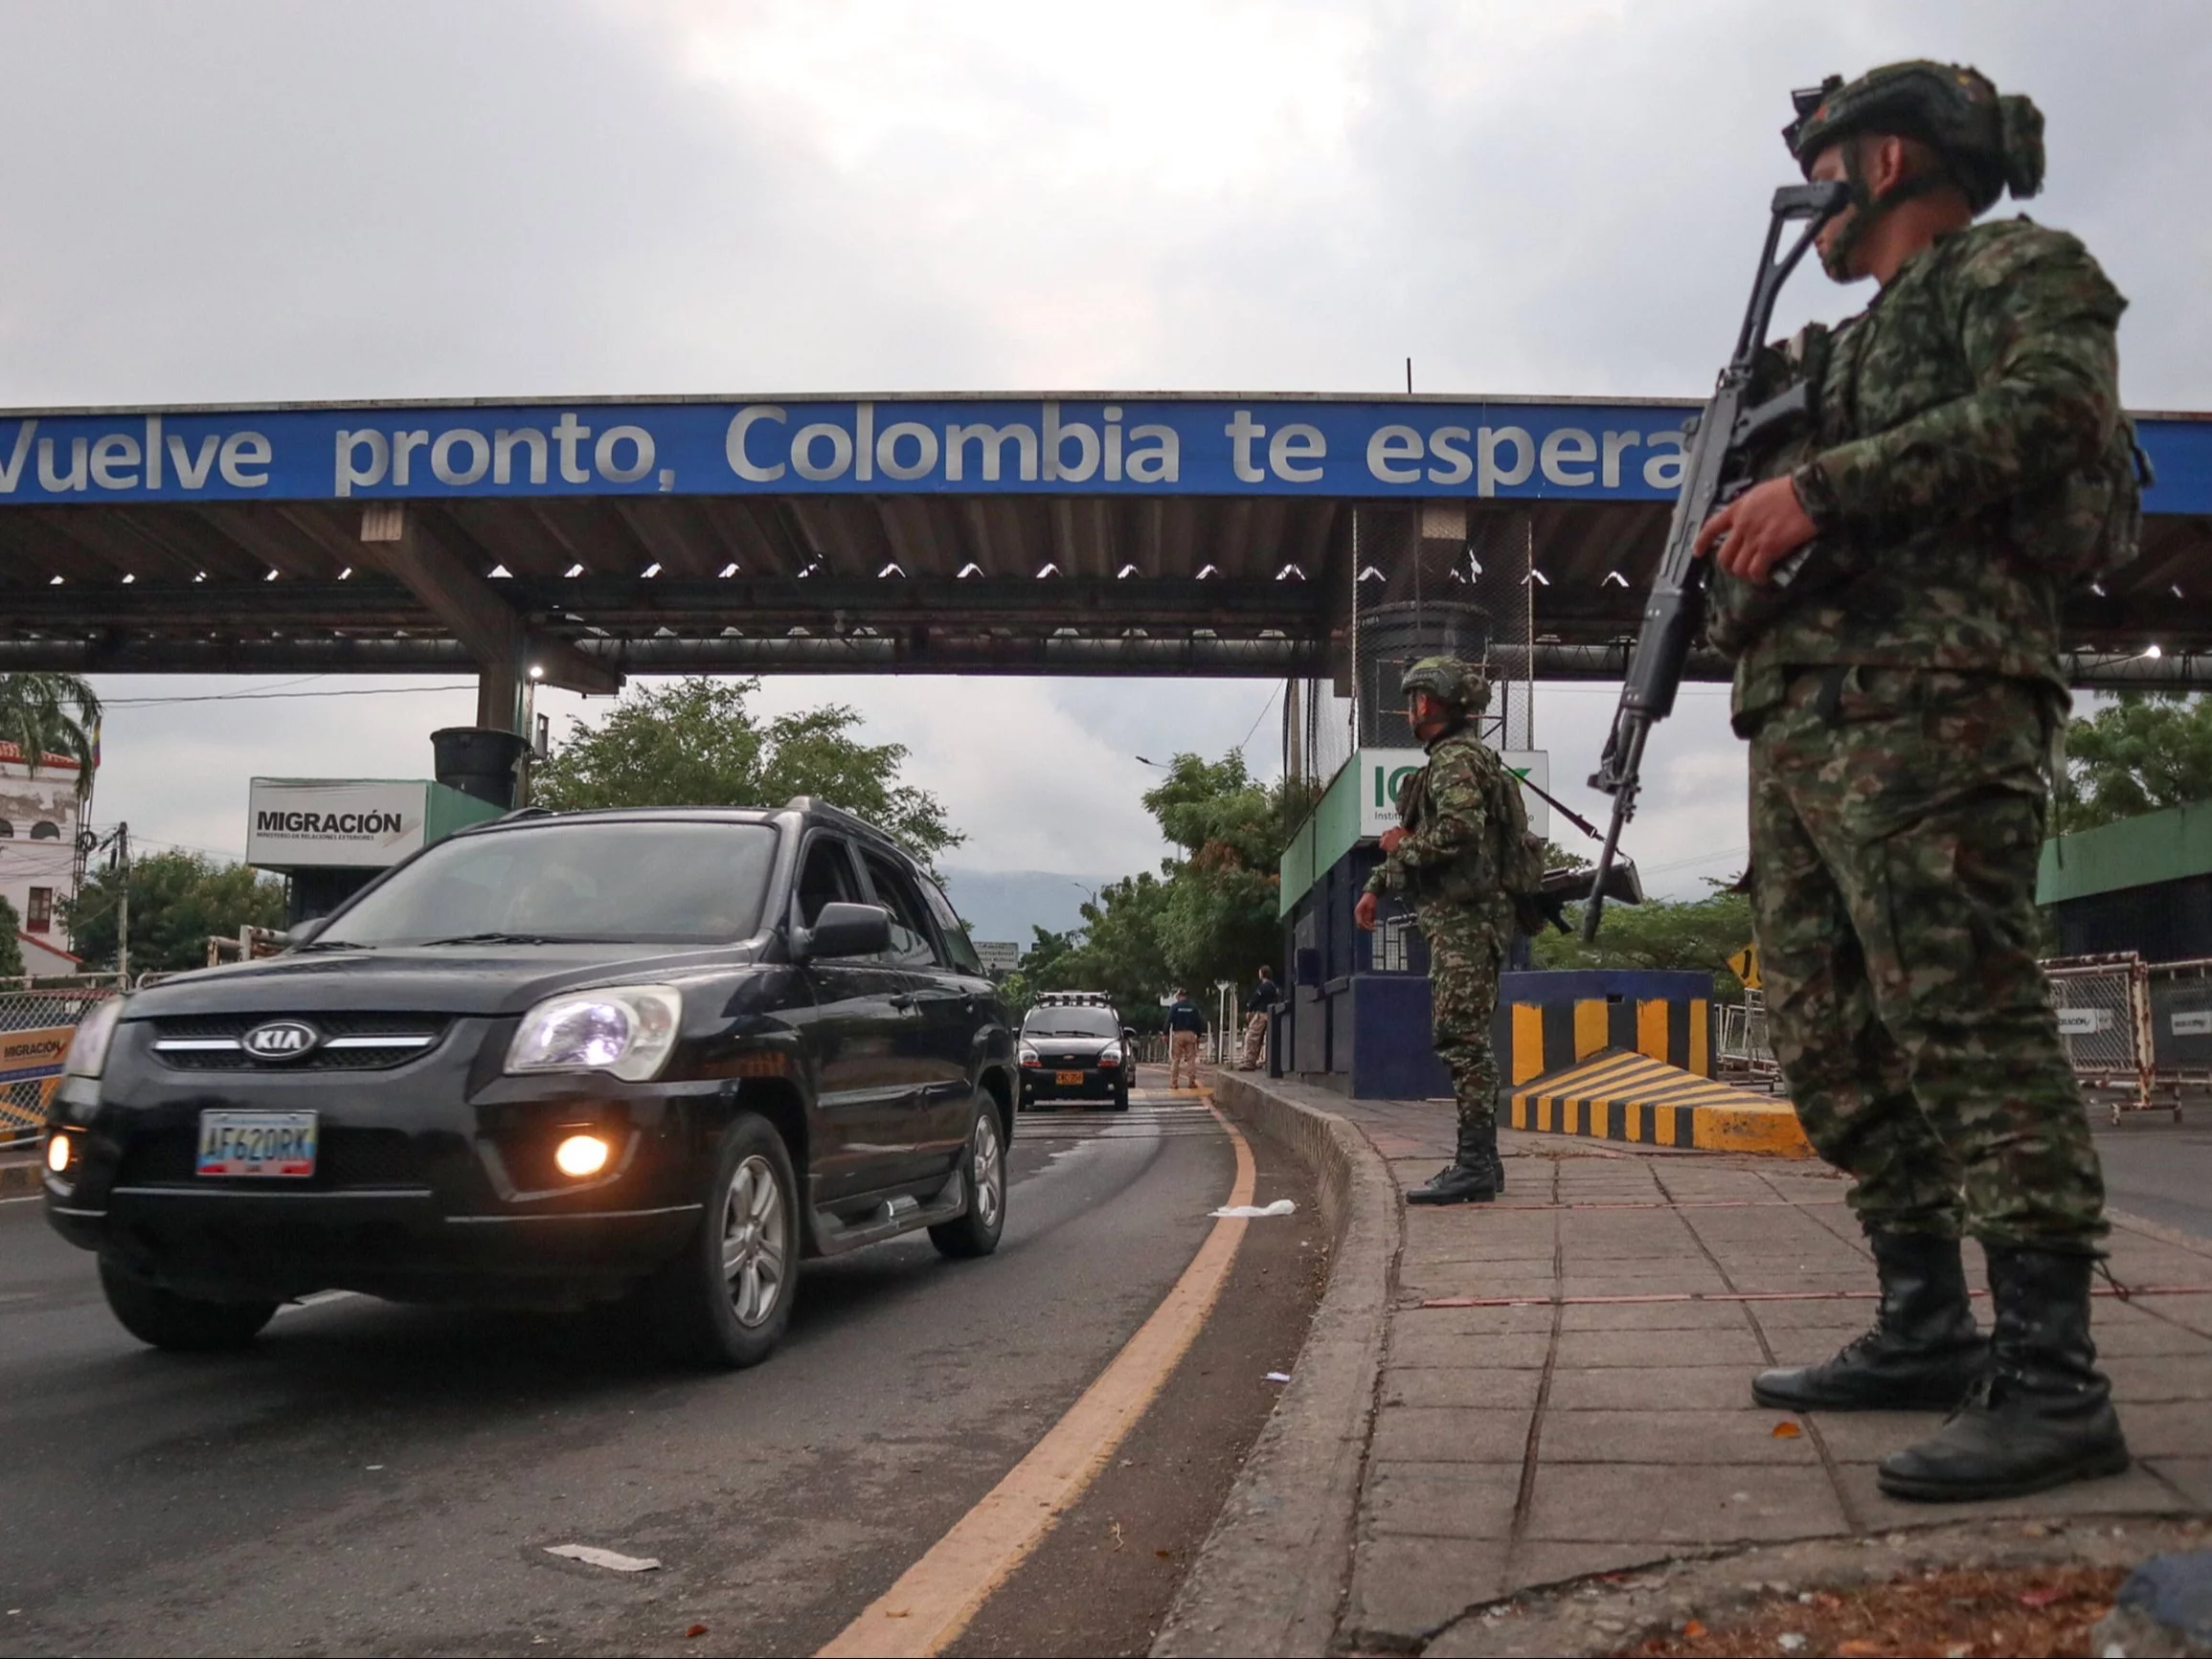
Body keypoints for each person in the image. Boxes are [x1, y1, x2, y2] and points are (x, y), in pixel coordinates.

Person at [1693, 62, 2131, 1502]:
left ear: (1881, 159)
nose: (1808, 196)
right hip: (1808, 722)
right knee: (1825, 1037)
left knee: (1965, 1019)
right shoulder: (1842, 347)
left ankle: (2054, 1381)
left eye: (1822, 161)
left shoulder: (2010, 269)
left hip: (1936, 705)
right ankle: (1922, 1322)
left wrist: (1817, 490)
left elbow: (2052, 414)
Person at [1355, 658, 1522, 1204]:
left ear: (1426, 703)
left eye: (1413, 698)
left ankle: (1474, 1164)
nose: (1410, 708)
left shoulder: (1453, 760)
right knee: (1464, 1036)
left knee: (1461, 1038)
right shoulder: (1458, 759)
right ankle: (1484, 1163)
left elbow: (1457, 832)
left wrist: (1401, 848)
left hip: (1467, 921)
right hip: (1465, 919)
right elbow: (1421, 837)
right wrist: (1378, 882)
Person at [1239, 966, 1281, 1070]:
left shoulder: (1264, 986)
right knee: (1266, 1039)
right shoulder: (1274, 987)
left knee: (1252, 1037)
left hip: (1261, 1014)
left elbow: (1255, 998)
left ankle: (1249, 1062)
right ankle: (1263, 1061)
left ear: (1262, 974)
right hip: (1271, 1014)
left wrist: (1249, 1009)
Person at [1165, 988, 1206, 1090]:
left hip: (1178, 1034)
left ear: (1179, 996)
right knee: (1191, 1060)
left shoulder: (1175, 1007)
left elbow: (1168, 1020)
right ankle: (1191, 1082)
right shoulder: (1193, 1007)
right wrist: (1198, 1035)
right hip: (1191, 1034)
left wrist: (1165, 1034)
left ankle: (1174, 1083)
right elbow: (1199, 1022)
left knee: (1176, 1059)